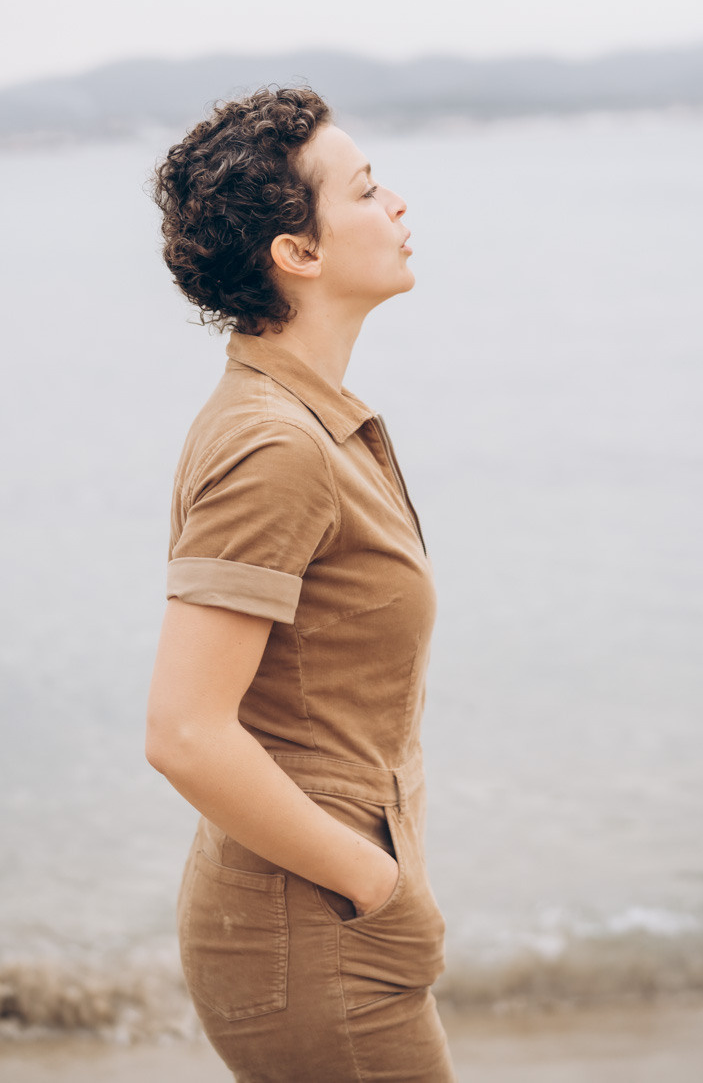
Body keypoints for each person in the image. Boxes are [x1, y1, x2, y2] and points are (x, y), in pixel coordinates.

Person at [145, 86, 456, 1082]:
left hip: (318, 911)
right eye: (366, 190)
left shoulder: (305, 419)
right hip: (314, 926)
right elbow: (186, 732)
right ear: (298, 253)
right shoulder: (275, 444)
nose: (398, 204)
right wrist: (377, 885)